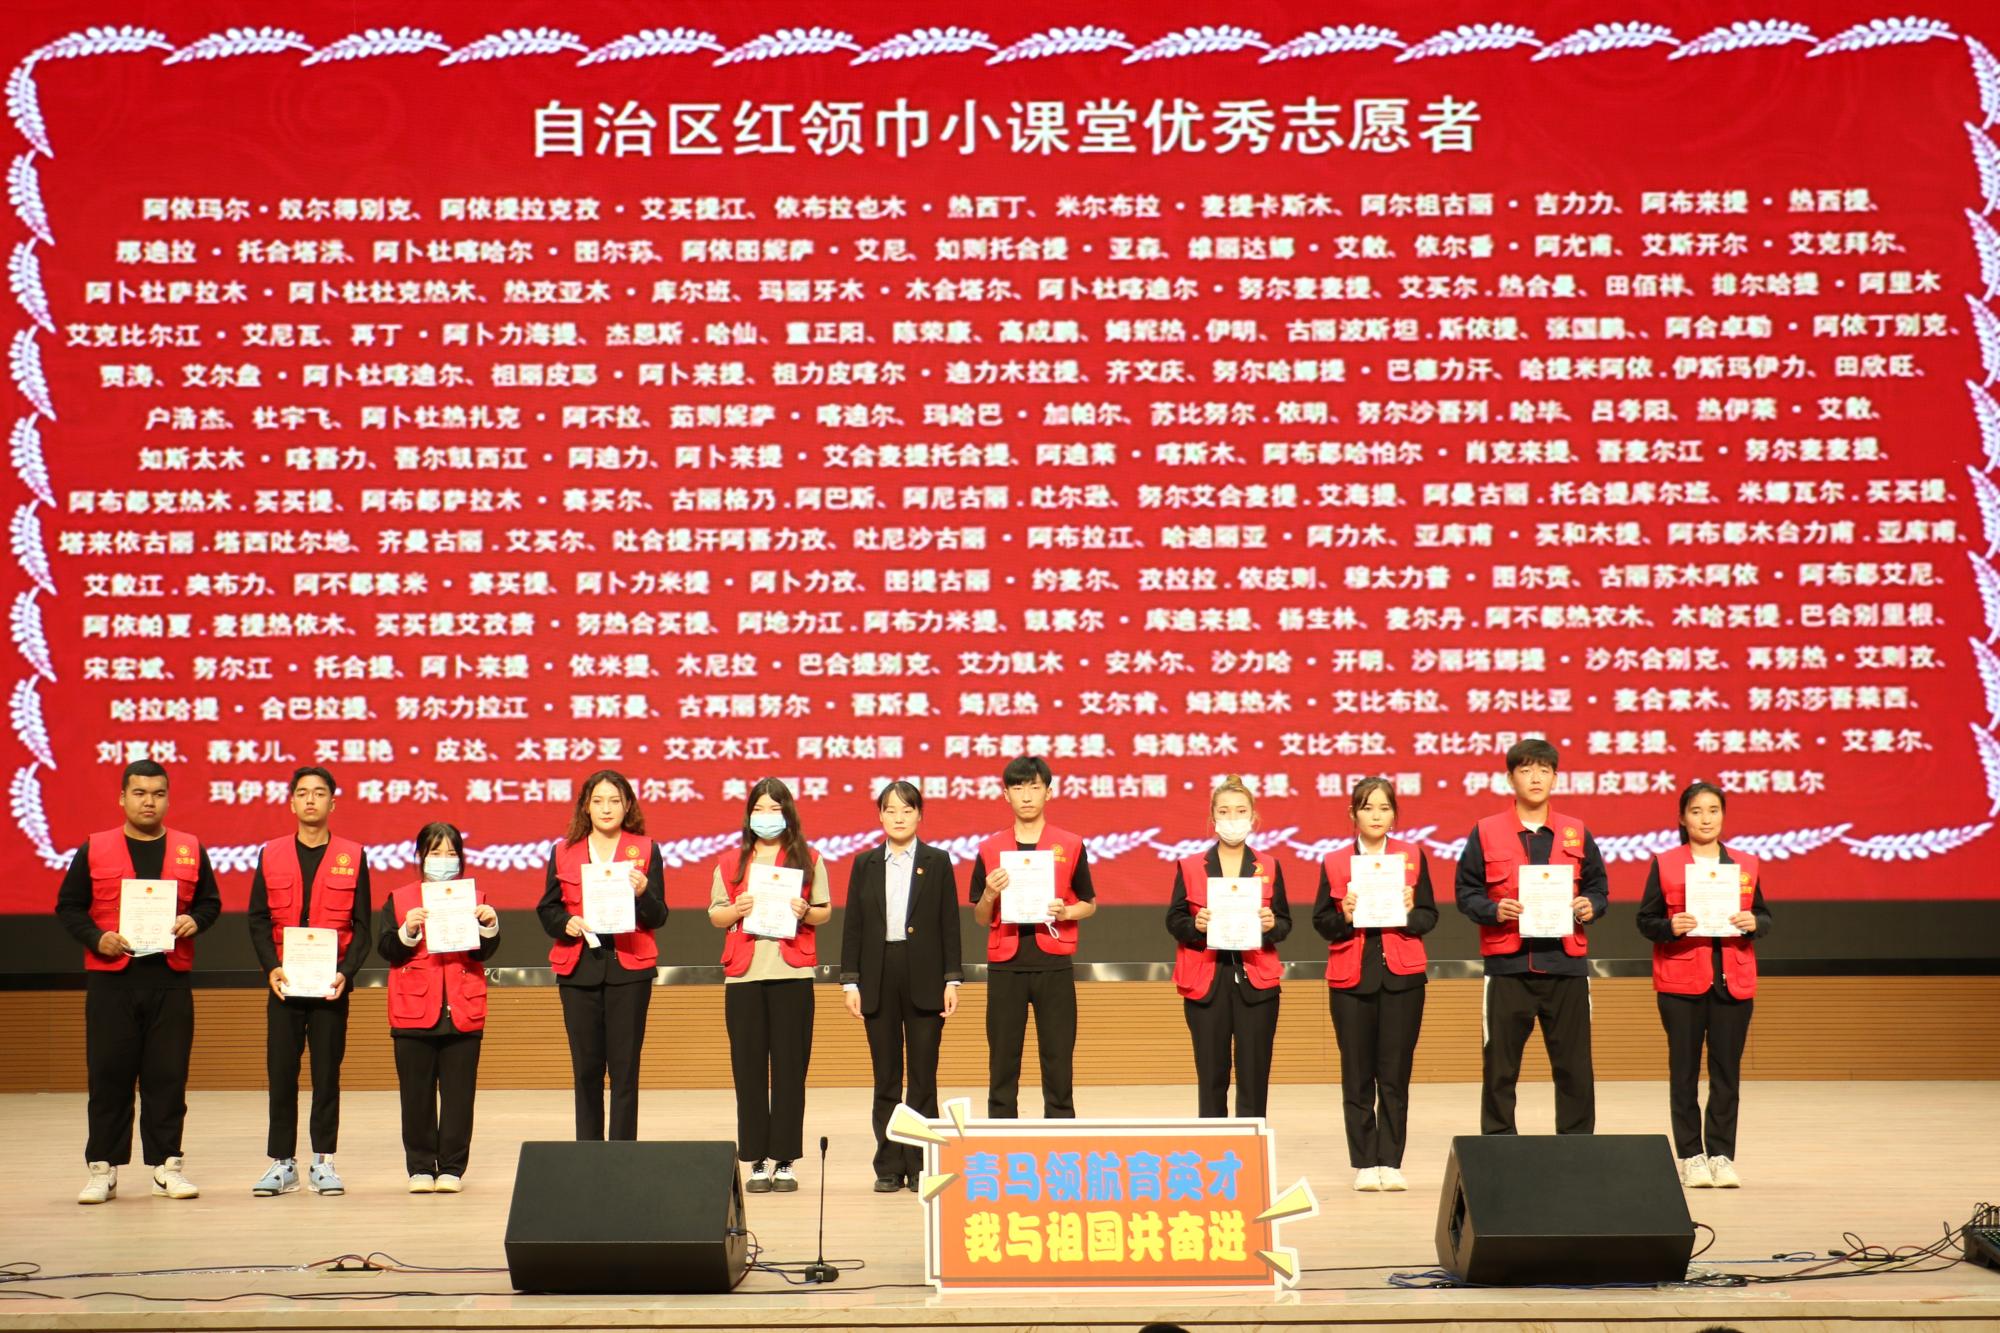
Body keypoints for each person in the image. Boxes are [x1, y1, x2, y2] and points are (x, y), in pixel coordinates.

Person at [56, 760, 221, 1204]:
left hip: (170, 980)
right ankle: (102, 1169)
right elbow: (69, 906)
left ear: (168, 798)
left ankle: (167, 1166)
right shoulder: (95, 847)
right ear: (122, 798)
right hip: (111, 982)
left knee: (167, 1076)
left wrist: (195, 920)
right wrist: (97, 937)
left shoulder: (189, 848)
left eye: (158, 794)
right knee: (108, 1075)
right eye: (140, 793)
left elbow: (210, 903)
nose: (149, 801)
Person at [1452, 738, 1609, 1136]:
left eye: (1543, 770)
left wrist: (1591, 905)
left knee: (1574, 1067)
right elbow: (1466, 892)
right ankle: (1499, 1145)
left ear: (1555, 777)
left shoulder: (1576, 832)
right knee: (1500, 1068)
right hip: (1508, 966)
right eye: (1525, 770)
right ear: (1510, 778)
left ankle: (1577, 1147)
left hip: (1566, 966)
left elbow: (1598, 888)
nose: (1535, 778)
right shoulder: (1486, 831)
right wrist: (1493, 909)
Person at [1636, 781, 1771, 1189]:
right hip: (1681, 983)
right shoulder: (1666, 864)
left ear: (1723, 816)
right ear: (1682, 818)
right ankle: (1691, 1156)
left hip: (1733, 982)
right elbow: (1646, 921)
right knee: (1684, 1073)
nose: (1706, 819)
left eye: (1713, 810)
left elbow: (1763, 916)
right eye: (1696, 811)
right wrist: (1670, 926)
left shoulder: (1745, 864)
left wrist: (1754, 923)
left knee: (1726, 1073)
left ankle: (1721, 1155)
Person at [247, 766, 371, 1196]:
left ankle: (324, 1162)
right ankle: (282, 1164)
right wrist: (271, 967)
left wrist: (346, 973)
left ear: (333, 802)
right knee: (281, 1074)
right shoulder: (271, 853)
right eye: (303, 793)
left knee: (326, 1075)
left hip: (330, 986)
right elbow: (258, 919)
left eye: (319, 793)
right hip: (285, 984)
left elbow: (363, 926)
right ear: (292, 802)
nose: (311, 800)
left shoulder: (353, 855)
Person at [1314, 778, 1438, 1191]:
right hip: (1351, 979)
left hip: (1403, 977)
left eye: (1384, 808)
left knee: (1395, 1073)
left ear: (1394, 814)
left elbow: (1429, 917)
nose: (1376, 815)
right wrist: (1346, 916)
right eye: (1368, 808)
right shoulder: (1335, 861)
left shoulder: (1411, 857)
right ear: (1353, 814)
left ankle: (1391, 1160)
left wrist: (1409, 911)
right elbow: (1322, 923)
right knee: (1357, 1073)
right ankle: (1365, 1162)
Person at [839, 780, 962, 1191]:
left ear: (919, 815)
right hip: (878, 974)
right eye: (890, 810)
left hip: (925, 975)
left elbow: (949, 922)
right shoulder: (865, 864)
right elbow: (853, 925)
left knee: (923, 1077)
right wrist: (850, 982)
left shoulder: (937, 861)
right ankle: (889, 1164)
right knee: (886, 1076)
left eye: (907, 810)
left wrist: (952, 978)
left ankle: (922, 1162)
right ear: (880, 816)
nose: (899, 817)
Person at [710, 778, 832, 1194]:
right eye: (759, 809)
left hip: (791, 974)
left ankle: (785, 1159)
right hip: (744, 976)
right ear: (749, 816)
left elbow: (824, 911)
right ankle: (756, 1159)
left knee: (789, 1071)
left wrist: (804, 910)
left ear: (788, 813)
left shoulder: (808, 858)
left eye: (774, 808)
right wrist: (736, 909)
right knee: (748, 1071)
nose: (767, 816)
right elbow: (715, 915)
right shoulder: (731, 862)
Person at [538, 769, 667, 1140]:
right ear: (586, 807)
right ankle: (589, 1153)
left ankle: (622, 1153)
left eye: (614, 801)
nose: (606, 808)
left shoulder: (645, 849)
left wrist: (643, 893)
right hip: (579, 970)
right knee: (586, 1069)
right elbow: (547, 909)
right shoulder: (563, 851)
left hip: (630, 970)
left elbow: (659, 915)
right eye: (598, 801)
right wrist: (566, 922)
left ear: (627, 806)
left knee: (625, 1070)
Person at [969, 755, 1097, 1119]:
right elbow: (980, 916)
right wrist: (990, 894)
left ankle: (1060, 1134)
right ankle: (1001, 1134)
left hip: (1053, 962)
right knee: (1002, 1059)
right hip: (1006, 964)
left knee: (1058, 1058)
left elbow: (1089, 903)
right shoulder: (990, 848)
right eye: (1018, 788)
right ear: (1005, 794)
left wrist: (1066, 912)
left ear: (1048, 792)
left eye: (1034, 787)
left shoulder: (1069, 844)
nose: (1026, 796)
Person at [377, 821, 501, 1193]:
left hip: (463, 1009)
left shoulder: (474, 898)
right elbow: (386, 948)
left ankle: (451, 1168)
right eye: (435, 852)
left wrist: (490, 926)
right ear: (420, 856)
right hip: (413, 1010)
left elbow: (483, 952)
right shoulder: (400, 899)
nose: (444, 859)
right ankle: (419, 1167)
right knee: (415, 1095)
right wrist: (407, 930)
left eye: (451, 853)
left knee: (459, 1097)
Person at [1165, 775, 1289, 1119]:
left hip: (1257, 980)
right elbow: (1174, 921)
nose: (1232, 818)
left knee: (1254, 1076)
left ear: (1253, 816)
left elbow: (1284, 923)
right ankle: (1215, 1146)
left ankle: (1250, 1146)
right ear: (1212, 817)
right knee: (1211, 1076)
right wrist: (1196, 926)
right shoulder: (1191, 866)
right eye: (1224, 811)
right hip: (1207, 980)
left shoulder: (1269, 866)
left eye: (1240, 810)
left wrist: (1271, 926)